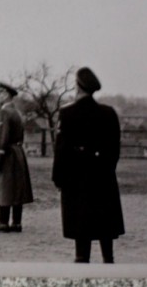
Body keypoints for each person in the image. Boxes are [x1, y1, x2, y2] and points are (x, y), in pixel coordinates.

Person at [52, 67, 124, 263]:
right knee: (105, 226)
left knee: (81, 226)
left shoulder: (67, 113)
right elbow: (114, 150)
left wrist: (58, 178)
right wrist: (106, 169)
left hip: (77, 180)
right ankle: (108, 261)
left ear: (77, 87)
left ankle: (82, 261)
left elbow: (61, 151)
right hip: (103, 178)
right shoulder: (109, 113)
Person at [0, 82, 33, 233]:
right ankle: (17, 222)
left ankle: (3, 222)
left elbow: (1, 137)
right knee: (17, 188)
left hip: (7, 153)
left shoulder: (4, 113)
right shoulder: (16, 112)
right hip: (17, 152)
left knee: (5, 187)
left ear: (6, 95)